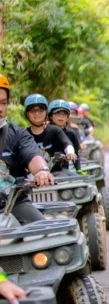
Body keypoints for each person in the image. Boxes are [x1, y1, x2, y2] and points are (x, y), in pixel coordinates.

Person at [0, 75, 55, 225]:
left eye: (3, 103)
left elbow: (33, 155)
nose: (0, 108)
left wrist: (42, 170)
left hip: (13, 203)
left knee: (46, 237)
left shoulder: (18, 134)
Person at [24, 95, 76, 169]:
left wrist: (70, 152)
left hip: (57, 173)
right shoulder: (24, 134)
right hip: (32, 175)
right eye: (32, 110)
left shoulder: (54, 130)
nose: (37, 113)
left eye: (41, 110)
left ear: (46, 112)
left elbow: (66, 143)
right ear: (27, 114)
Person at [47, 99, 82, 171]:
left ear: (67, 117)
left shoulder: (71, 133)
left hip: (63, 171)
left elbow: (76, 154)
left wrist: (79, 170)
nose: (61, 116)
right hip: (43, 172)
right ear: (50, 116)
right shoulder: (44, 131)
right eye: (57, 113)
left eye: (64, 114)